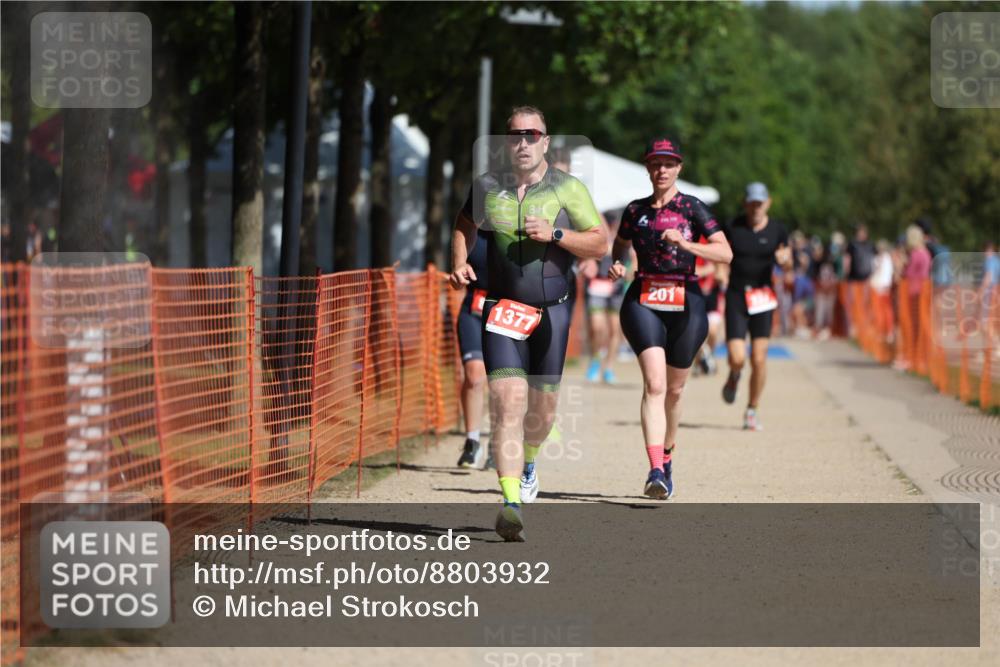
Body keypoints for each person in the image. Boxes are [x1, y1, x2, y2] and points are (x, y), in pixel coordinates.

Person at [449, 105, 606, 541]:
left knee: (541, 411)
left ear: (546, 140)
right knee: (506, 402)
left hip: (551, 311)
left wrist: (556, 235)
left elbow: (598, 243)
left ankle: (531, 461)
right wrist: (460, 261)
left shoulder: (567, 189)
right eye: (515, 135)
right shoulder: (487, 187)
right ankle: (510, 501)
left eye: (531, 134)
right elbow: (463, 224)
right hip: (501, 308)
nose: (522, 142)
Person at [608, 136, 732, 499]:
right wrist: (619, 264)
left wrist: (686, 244)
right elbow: (620, 244)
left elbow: (725, 254)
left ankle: (668, 454)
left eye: (668, 163)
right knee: (655, 385)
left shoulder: (693, 208)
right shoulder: (634, 211)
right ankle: (656, 470)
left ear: (679, 167)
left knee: (675, 392)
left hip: (686, 300)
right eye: (655, 163)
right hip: (643, 299)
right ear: (648, 168)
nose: (661, 170)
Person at [719, 182, 793, 431]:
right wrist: (720, 271)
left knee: (759, 359)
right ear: (745, 203)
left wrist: (786, 263)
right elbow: (721, 253)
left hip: (763, 297)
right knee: (737, 357)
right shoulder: (732, 226)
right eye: (751, 203)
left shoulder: (778, 230)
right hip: (737, 295)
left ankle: (752, 409)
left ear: (768, 203)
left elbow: (787, 264)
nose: (755, 208)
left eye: (759, 203)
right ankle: (734, 375)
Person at [455, 229, 491, 469]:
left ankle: (500, 442)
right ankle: (472, 441)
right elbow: (458, 265)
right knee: (474, 375)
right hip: (474, 309)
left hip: (507, 312)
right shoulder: (472, 230)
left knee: (504, 381)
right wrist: (457, 271)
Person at [582, 210, 629, 384]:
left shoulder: (624, 235)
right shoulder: (596, 231)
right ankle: (595, 360)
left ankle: (608, 367)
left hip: (616, 287)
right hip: (597, 285)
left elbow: (631, 257)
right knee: (597, 327)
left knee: (614, 329)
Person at [895, 224, 931, 371]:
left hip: (913, 292)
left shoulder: (916, 254)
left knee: (911, 326)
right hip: (922, 292)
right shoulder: (926, 253)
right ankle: (918, 358)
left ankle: (910, 358)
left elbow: (908, 274)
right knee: (919, 326)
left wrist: (901, 264)